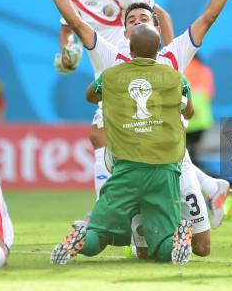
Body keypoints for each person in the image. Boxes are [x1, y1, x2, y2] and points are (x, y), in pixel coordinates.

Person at [32, 0, 232, 257]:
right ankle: (117, 221)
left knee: (202, 249)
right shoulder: (111, 61)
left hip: (173, 167)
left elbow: (209, 16)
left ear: (158, 28)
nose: (137, 21)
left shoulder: (174, 59)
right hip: (132, 166)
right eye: (131, 20)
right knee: (142, 251)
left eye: (144, 18)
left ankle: (188, 210)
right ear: (124, 33)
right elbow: (75, 21)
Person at [52, 24, 194, 265]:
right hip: (164, 169)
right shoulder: (176, 78)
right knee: (162, 246)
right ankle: (176, 240)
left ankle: (81, 239)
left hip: (126, 169)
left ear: (130, 48)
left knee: (99, 232)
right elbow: (189, 112)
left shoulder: (111, 76)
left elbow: (90, 96)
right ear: (158, 50)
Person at [53, 0, 174, 199]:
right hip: (104, 70)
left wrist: (171, 58)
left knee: (99, 137)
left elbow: (161, 15)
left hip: (124, 68)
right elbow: (67, 27)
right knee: (138, 143)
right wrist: (67, 51)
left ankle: (103, 210)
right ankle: (209, 187)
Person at [184, 56, 215, 164]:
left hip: (186, 116)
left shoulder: (181, 69)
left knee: (184, 149)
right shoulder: (205, 70)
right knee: (194, 149)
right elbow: (210, 95)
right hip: (202, 119)